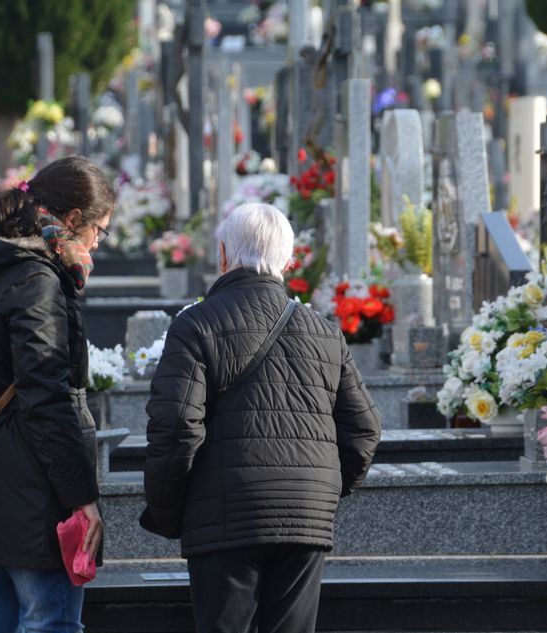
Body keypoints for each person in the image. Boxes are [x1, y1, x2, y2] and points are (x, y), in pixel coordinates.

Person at [140, 202, 381, 633]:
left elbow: (176, 427)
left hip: (224, 512)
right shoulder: (325, 332)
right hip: (305, 515)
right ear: (288, 261)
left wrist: (166, 508)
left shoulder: (196, 325)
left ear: (223, 255)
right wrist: (321, 488)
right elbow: (364, 428)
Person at [0, 156, 113, 633]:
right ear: (72, 221)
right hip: (32, 492)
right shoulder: (37, 281)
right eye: (99, 230)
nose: (98, 243)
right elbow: (47, 397)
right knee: (49, 621)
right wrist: (80, 497)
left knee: (0, 619)